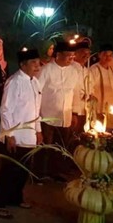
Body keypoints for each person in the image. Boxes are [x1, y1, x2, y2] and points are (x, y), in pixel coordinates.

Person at [0, 48, 42, 219]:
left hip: (30, 135)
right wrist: (9, 135)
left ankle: (15, 198)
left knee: (23, 171)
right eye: (33, 62)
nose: (37, 65)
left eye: (38, 62)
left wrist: (39, 130)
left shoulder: (35, 82)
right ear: (22, 64)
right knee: (9, 171)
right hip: (16, 136)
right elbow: (5, 110)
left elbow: (36, 110)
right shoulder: (14, 81)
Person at [38, 40, 79, 180]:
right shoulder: (46, 70)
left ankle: (57, 172)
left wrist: (74, 113)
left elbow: (75, 93)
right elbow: (37, 92)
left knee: (61, 146)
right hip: (47, 116)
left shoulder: (74, 71)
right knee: (46, 146)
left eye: (73, 57)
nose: (71, 59)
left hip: (65, 116)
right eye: (68, 56)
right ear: (59, 54)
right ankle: (41, 173)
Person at [89, 44, 113, 116]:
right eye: (105, 55)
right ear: (99, 55)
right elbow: (90, 88)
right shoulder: (94, 69)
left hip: (110, 108)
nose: (108, 58)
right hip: (98, 108)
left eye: (110, 55)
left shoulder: (112, 71)